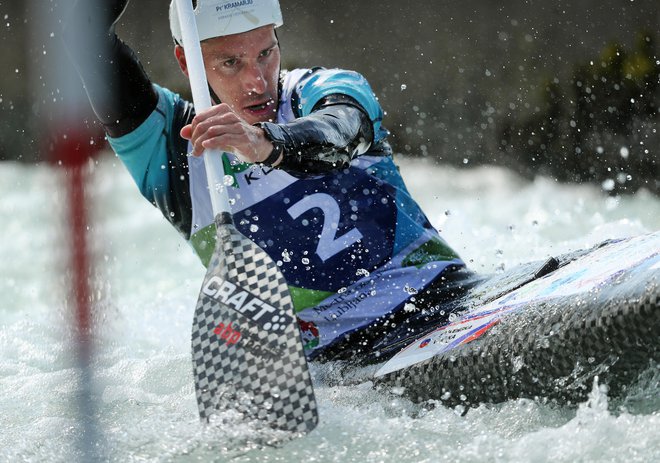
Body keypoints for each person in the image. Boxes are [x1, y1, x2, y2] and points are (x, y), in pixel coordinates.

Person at [65, 0, 479, 363]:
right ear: (187, 62)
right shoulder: (169, 149)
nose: (257, 82)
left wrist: (264, 143)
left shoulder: (322, 89)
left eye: (266, 52)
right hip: (332, 364)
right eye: (231, 63)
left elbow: (341, 133)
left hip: (448, 300)